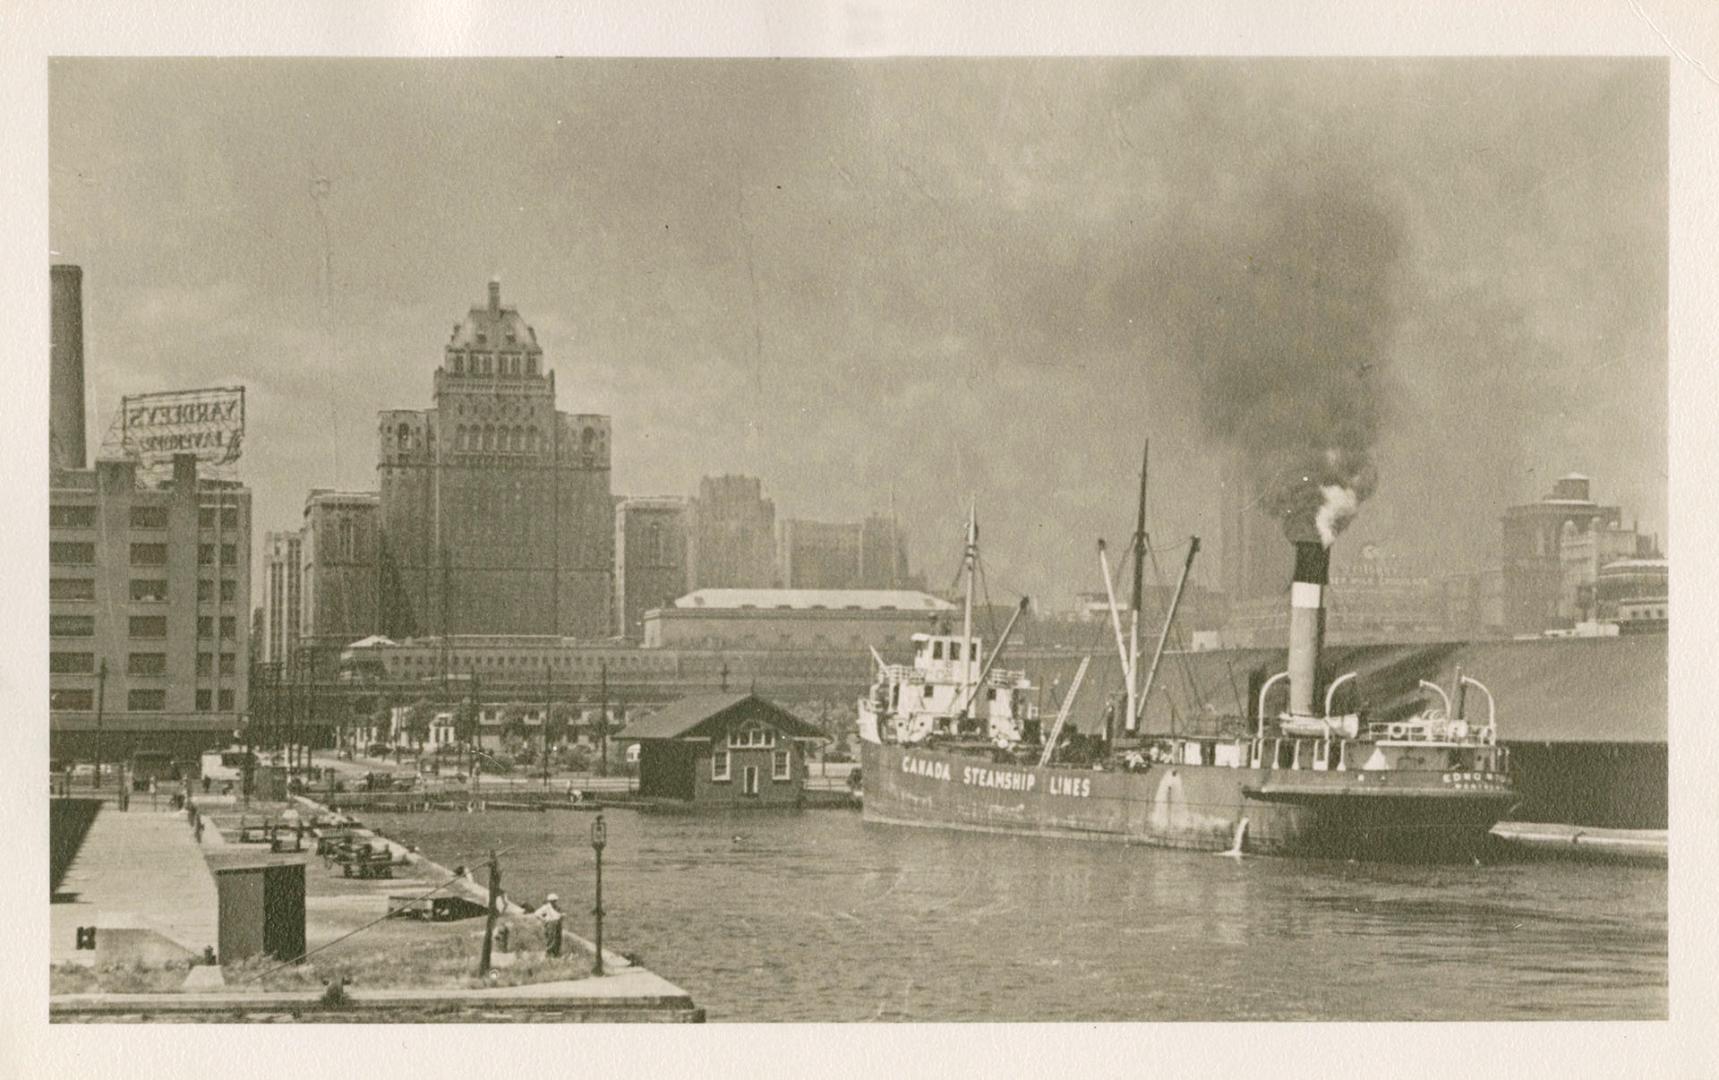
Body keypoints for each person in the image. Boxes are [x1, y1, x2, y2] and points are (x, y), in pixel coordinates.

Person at [533, 894, 565, 958]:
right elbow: (536, 913)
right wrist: (544, 919)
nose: (553, 902)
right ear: (549, 901)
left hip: (558, 923)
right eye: (552, 901)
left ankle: (556, 953)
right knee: (551, 938)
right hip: (550, 923)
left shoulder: (557, 907)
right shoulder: (546, 907)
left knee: (558, 939)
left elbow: (560, 914)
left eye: (555, 900)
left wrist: (562, 916)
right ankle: (549, 954)